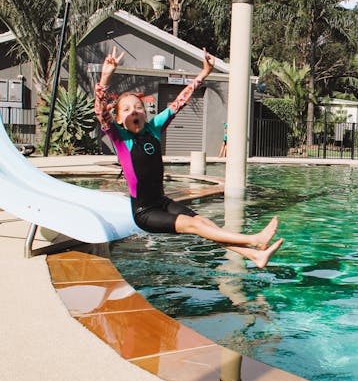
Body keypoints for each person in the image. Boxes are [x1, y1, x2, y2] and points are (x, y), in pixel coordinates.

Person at [94, 47, 282, 268]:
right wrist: (106, 76)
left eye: (138, 107)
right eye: (126, 109)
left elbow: (180, 101)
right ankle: (254, 240)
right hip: (145, 212)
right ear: (118, 118)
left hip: (162, 202)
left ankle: (254, 256)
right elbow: (100, 113)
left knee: (203, 222)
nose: (134, 111)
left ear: (145, 113)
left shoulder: (153, 129)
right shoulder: (120, 138)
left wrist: (204, 72)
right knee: (194, 226)